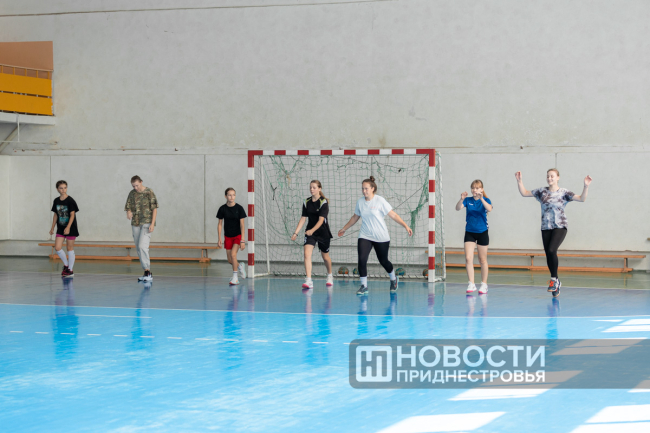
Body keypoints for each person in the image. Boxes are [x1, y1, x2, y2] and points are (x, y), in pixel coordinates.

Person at [515, 169, 592, 297]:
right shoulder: (542, 192)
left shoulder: (564, 192)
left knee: (552, 250)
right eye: (548, 176)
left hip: (560, 226)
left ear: (558, 178)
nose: (549, 178)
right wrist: (519, 181)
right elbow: (525, 193)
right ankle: (556, 282)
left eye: (552, 176)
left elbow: (581, 198)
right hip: (546, 227)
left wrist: (586, 186)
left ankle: (554, 279)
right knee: (548, 254)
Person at [338, 176, 412, 296]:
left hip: (381, 236)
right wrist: (344, 228)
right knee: (362, 259)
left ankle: (393, 279)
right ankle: (364, 286)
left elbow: (393, 215)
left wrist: (406, 226)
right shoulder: (360, 202)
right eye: (362, 188)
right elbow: (355, 217)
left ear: (373, 188)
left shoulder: (380, 200)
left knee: (383, 261)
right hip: (365, 235)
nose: (364, 191)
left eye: (366, 188)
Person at [291, 180, 334, 289]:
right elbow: (303, 218)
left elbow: (321, 220)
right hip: (310, 233)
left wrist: (312, 230)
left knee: (325, 257)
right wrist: (296, 232)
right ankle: (309, 280)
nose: (311, 189)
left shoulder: (323, 202)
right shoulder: (306, 202)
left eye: (314, 187)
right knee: (306, 254)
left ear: (319, 188)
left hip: (323, 232)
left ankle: (330, 275)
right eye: (310, 187)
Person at [455, 179, 493, 294]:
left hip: (482, 232)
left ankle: (484, 284)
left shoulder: (486, 200)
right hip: (470, 232)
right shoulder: (468, 200)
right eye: (473, 188)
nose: (474, 190)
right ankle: (471, 283)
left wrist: (481, 199)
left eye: (477, 188)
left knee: (482, 259)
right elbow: (457, 208)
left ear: (481, 189)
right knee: (468, 258)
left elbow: (489, 209)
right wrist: (461, 199)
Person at [124, 175, 158, 282]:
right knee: (138, 248)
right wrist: (129, 212)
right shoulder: (132, 193)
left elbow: (154, 209)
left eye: (137, 185)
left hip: (147, 222)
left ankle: (148, 272)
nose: (135, 188)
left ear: (141, 182)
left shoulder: (149, 192)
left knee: (142, 246)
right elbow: (128, 207)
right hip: (135, 223)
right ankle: (145, 272)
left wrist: (152, 223)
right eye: (133, 186)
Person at [217, 187, 247, 285]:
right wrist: (219, 238)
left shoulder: (239, 208)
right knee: (230, 260)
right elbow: (220, 224)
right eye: (229, 195)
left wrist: (243, 240)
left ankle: (235, 278)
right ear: (225, 196)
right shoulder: (222, 209)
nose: (232, 197)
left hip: (237, 236)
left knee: (233, 255)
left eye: (233, 195)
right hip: (228, 236)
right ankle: (240, 266)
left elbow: (242, 225)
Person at [49, 180, 79, 278]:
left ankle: (70, 270)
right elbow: (55, 215)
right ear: (57, 189)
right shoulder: (56, 201)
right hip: (60, 228)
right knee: (57, 247)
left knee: (69, 248)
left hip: (71, 228)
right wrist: (52, 227)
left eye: (65, 188)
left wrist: (68, 227)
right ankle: (66, 265)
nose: (63, 190)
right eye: (61, 188)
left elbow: (72, 215)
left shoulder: (70, 200)